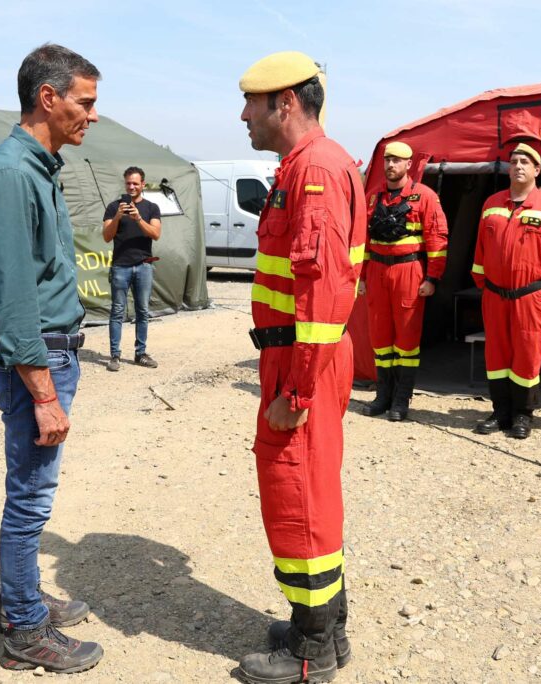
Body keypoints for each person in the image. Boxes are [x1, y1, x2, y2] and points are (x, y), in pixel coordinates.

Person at [0, 44, 103, 673]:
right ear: (49, 98)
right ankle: (24, 627)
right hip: (37, 357)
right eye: (86, 102)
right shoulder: (14, 173)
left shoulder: (36, 167)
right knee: (30, 496)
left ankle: (20, 596)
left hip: (48, 351)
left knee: (33, 491)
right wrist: (44, 393)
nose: (93, 116)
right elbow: (15, 296)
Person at [236, 51, 366, 684]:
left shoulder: (314, 170)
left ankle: (309, 649)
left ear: (284, 102)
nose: (243, 115)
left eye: (252, 104)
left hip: (302, 358)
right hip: (299, 354)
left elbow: (320, 296)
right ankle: (326, 627)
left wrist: (296, 387)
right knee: (309, 486)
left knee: (299, 494)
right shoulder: (308, 165)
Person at [471, 142, 541, 439]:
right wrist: (482, 283)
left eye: (525, 162)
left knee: (527, 356)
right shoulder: (492, 203)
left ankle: (523, 415)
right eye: (514, 161)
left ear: (537, 170)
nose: (518, 166)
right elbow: (480, 249)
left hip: (531, 296)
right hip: (495, 295)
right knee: (496, 356)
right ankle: (500, 412)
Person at [360, 141, 447, 421]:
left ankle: (401, 399)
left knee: (407, 339)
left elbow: (437, 239)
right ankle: (383, 395)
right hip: (377, 272)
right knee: (380, 337)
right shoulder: (373, 197)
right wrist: (362, 276)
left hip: (408, 271)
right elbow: (362, 240)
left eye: (397, 160)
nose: (390, 165)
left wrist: (433, 277)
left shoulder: (425, 197)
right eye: (387, 160)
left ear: (409, 164)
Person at [101, 166, 162, 371]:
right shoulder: (113, 207)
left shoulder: (152, 208)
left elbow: (155, 234)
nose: (132, 186)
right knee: (117, 311)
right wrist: (118, 216)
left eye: (136, 183)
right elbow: (107, 236)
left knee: (142, 311)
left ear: (143, 184)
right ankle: (115, 356)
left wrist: (138, 219)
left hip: (144, 265)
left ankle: (140, 353)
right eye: (128, 183)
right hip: (120, 265)